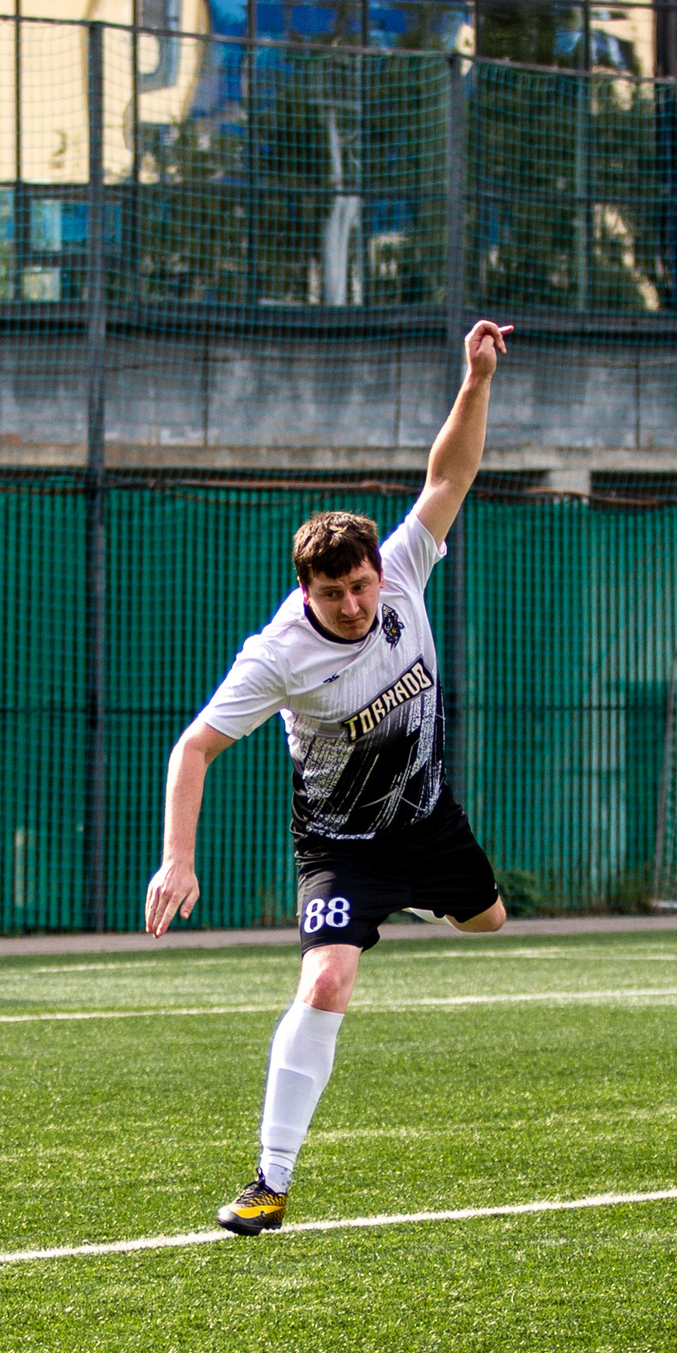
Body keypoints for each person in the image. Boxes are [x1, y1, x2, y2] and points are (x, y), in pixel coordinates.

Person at [144, 320, 514, 1234]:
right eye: (333, 593)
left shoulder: (403, 572)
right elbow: (193, 747)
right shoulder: (276, 656)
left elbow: (448, 477)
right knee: (326, 984)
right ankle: (270, 1180)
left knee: (488, 921)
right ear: (306, 590)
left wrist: (474, 381)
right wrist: (176, 859)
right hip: (341, 844)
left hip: (428, 822)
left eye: (361, 586)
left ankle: (427, 899)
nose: (353, 604)